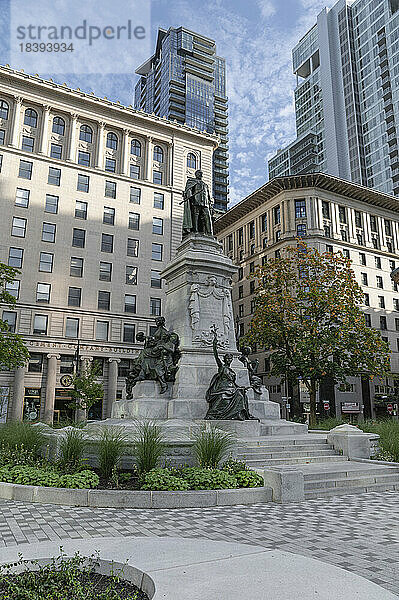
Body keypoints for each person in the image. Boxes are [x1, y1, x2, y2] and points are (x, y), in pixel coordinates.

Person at [205, 326, 258, 421]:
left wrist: (241, 387)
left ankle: (241, 414)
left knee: (241, 395)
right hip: (222, 388)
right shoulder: (222, 367)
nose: (229, 360)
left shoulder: (231, 371)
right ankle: (214, 413)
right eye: (227, 358)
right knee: (223, 397)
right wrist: (214, 343)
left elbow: (233, 382)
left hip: (231, 388)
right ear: (224, 359)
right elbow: (216, 355)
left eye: (231, 359)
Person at [182, 170, 214, 237]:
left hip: (205, 203)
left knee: (207, 217)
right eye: (199, 173)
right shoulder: (191, 181)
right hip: (196, 201)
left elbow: (208, 195)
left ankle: (209, 232)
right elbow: (188, 190)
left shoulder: (205, 185)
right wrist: (189, 195)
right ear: (196, 174)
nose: (201, 175)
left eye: (201, 173)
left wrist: (210, 203)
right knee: (195, 216)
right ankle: (195, 231)